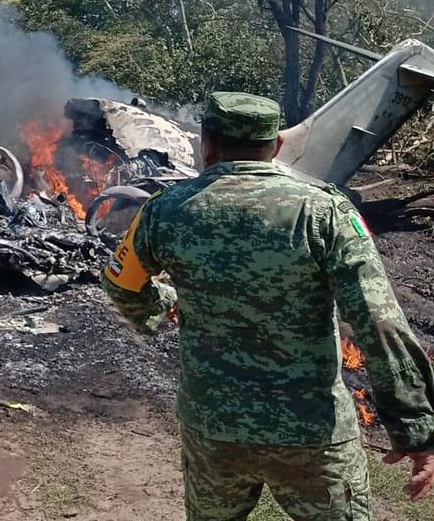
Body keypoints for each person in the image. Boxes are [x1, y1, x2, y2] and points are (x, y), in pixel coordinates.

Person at [101, 91, 434, 520]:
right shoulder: (325, 212)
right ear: (276, 145)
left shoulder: (165, 210)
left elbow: (120, 284)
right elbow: (379, 322)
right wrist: (415, 430)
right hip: (312, 434)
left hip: (213, 429)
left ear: (207, 143)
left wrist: (164, 302)